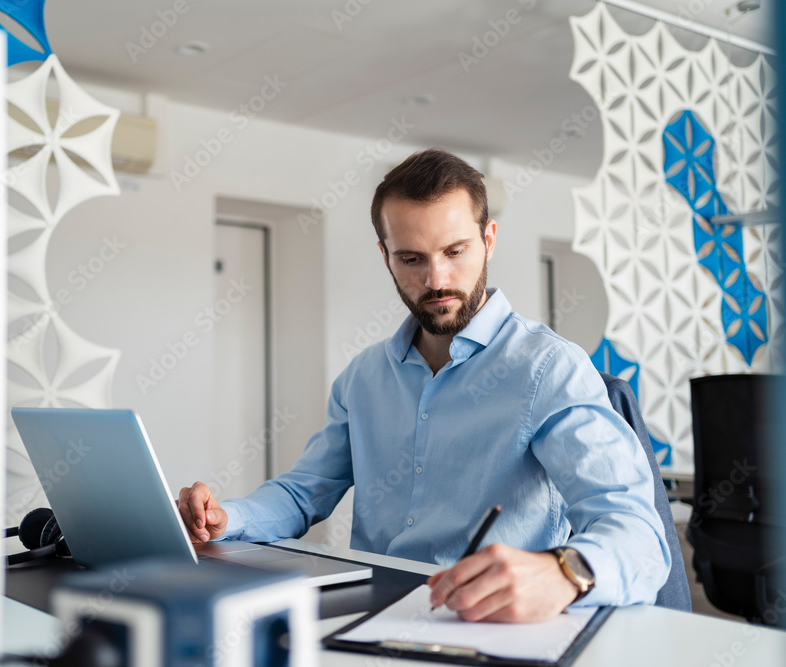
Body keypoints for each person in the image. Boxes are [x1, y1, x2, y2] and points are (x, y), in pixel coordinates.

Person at [178, 148, 670, 622]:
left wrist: (564, 572)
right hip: (372, 614)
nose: (437, 280)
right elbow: (303, 494)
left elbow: (637, 535)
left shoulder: (550, 368)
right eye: (412, 259)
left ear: (489, 239)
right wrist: (229, 518)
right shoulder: (364, 378)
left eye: (455, 251)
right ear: (385, 255)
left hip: (496, 625)